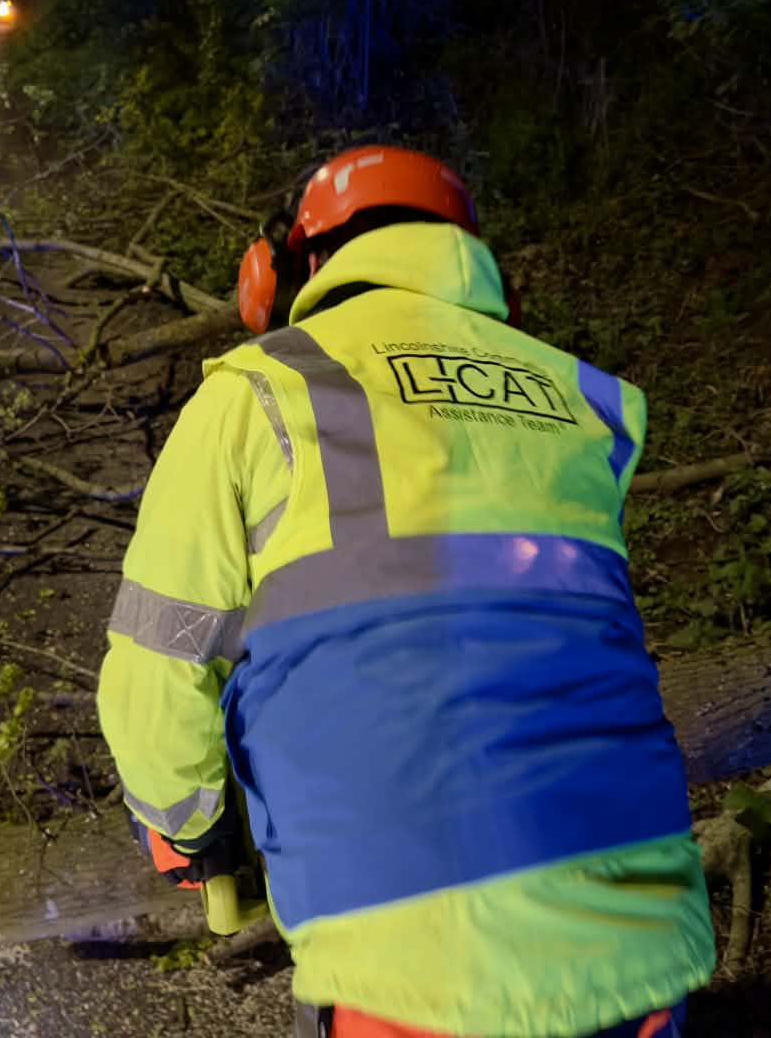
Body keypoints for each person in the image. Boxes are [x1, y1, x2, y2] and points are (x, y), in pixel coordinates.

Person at [97, 145, 714, 1038]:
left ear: (282, 269)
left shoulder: (258, 393)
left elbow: (159, 663)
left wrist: (188, 828)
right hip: (643, 932)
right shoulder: (583, 401)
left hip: (408, 964)